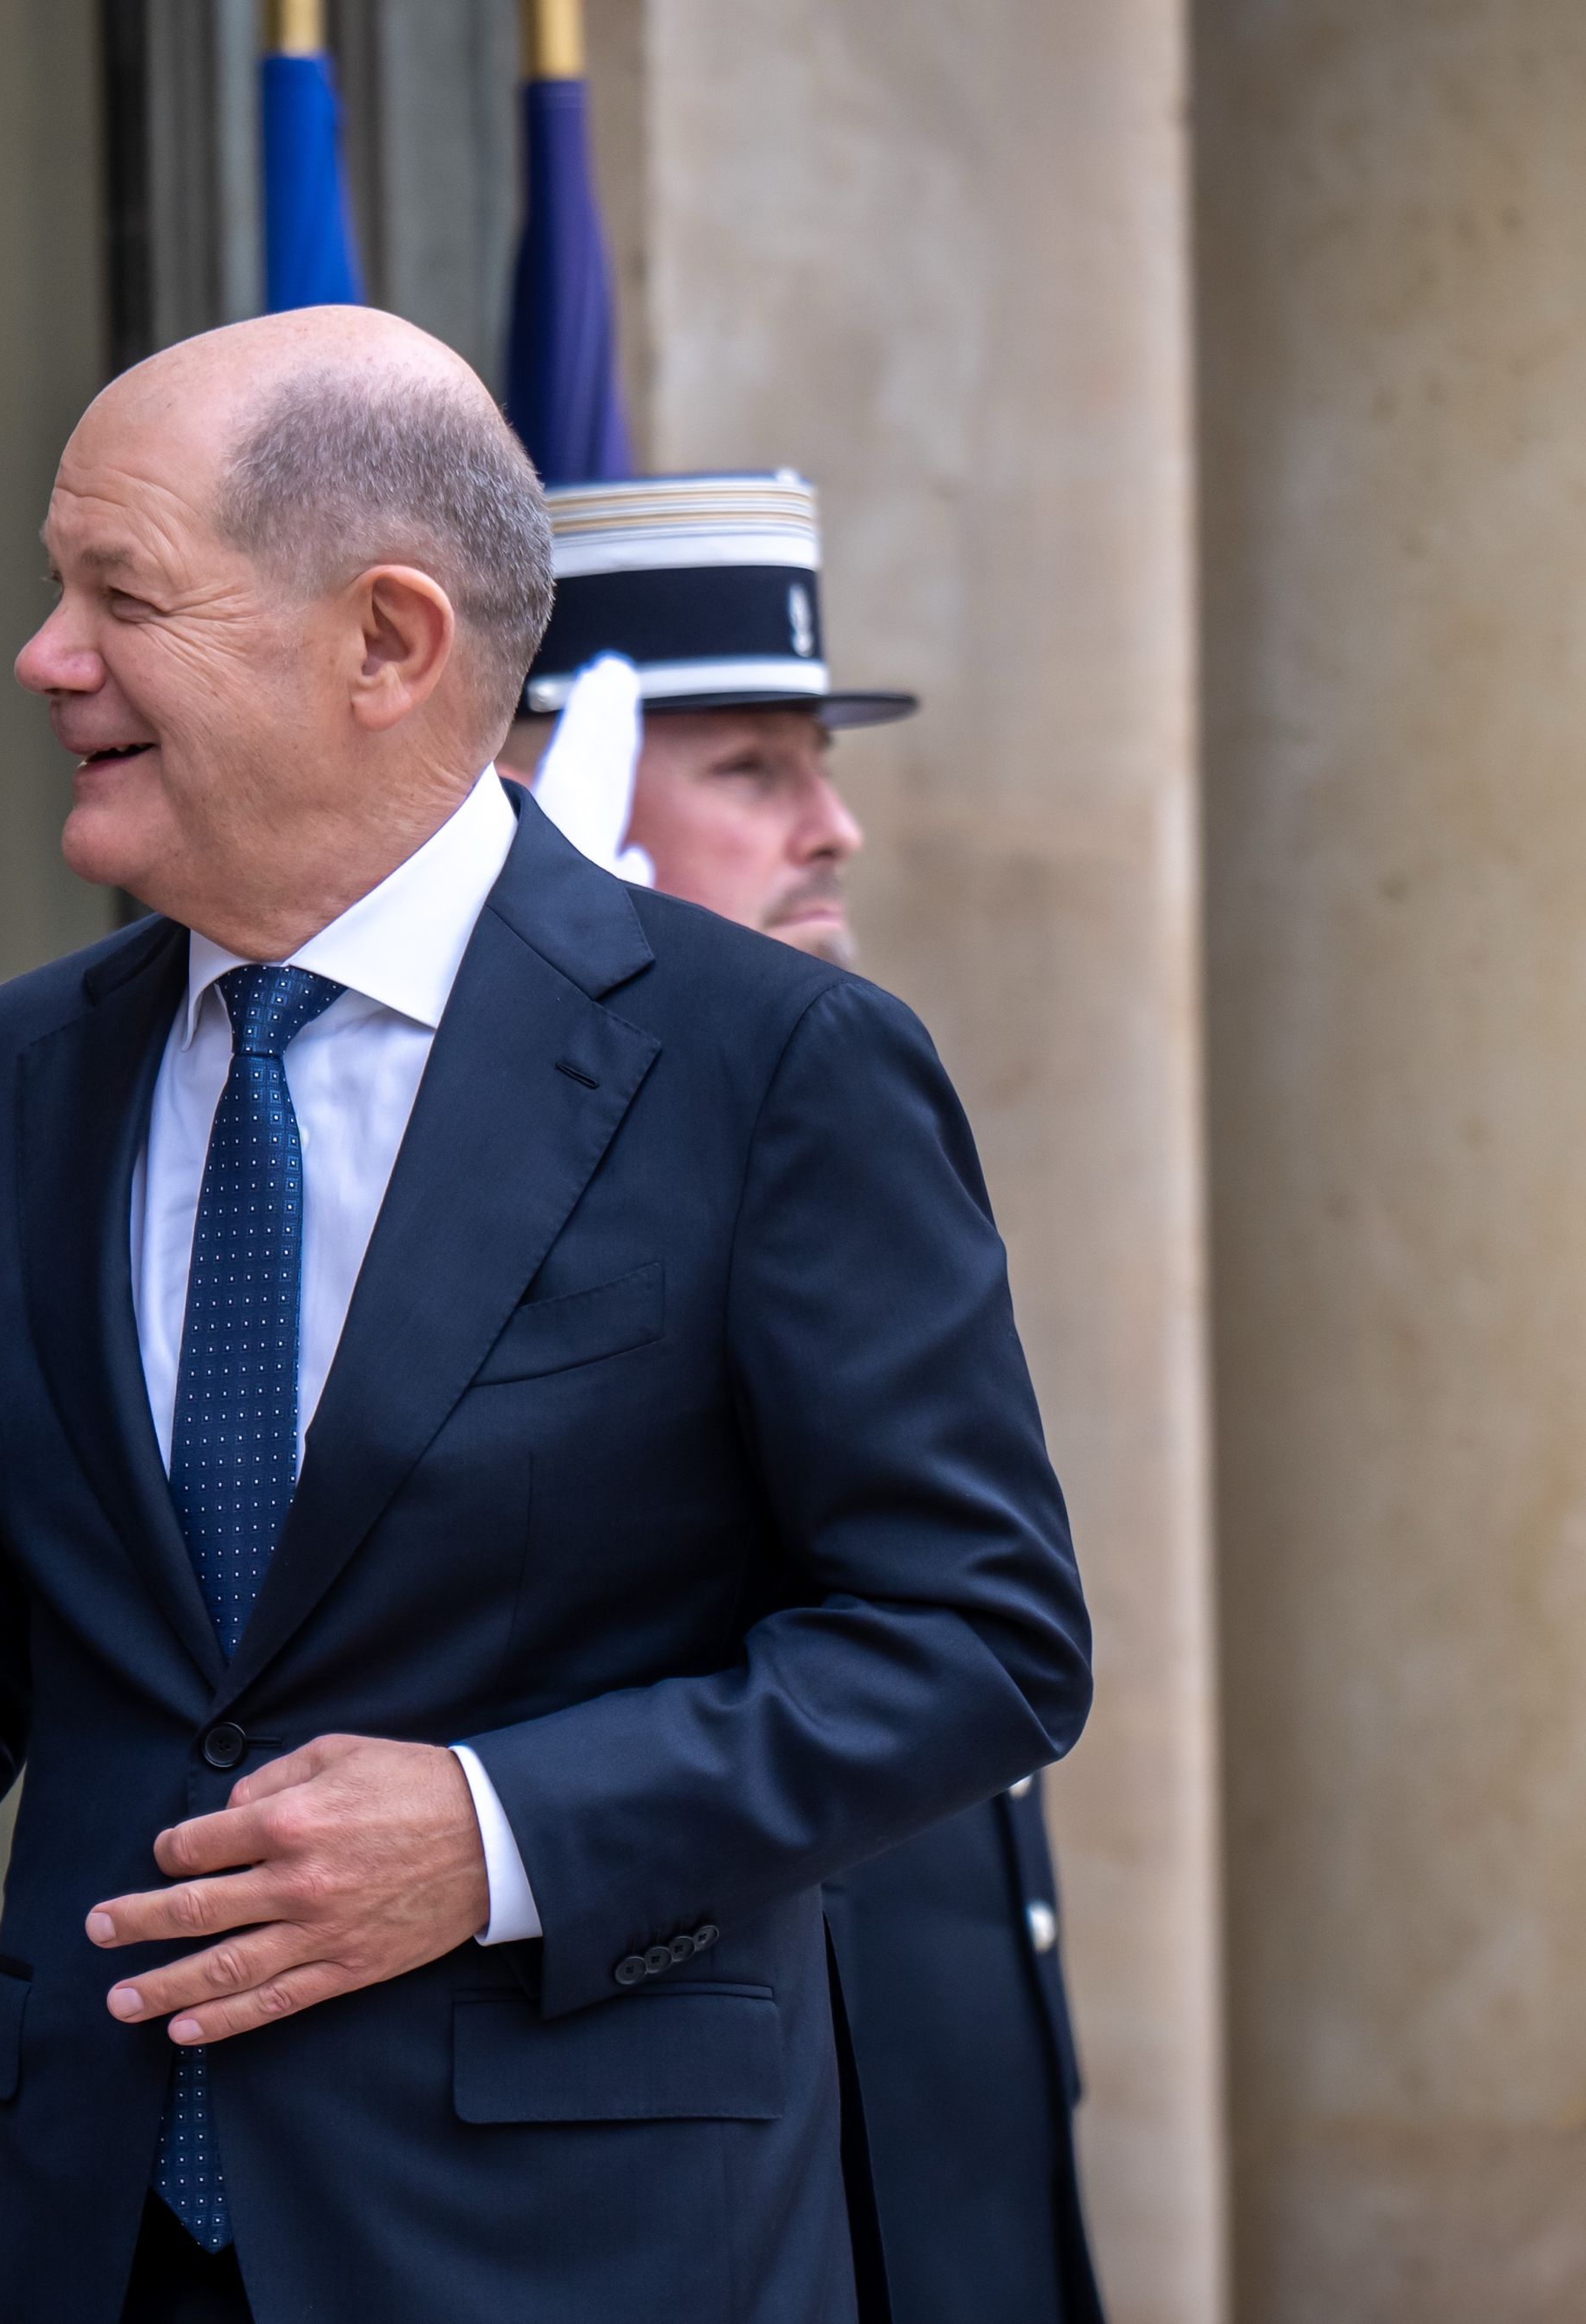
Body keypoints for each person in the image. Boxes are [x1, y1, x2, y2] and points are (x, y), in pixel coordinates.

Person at [0, 308, 1091, 2324]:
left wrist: (491, 1828)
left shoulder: (768, 1066)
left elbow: (974, 1638)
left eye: (116, 594)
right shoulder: (7, 1079)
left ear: (385, 643)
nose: (42, 656)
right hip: (86, 2239)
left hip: (577, 2254)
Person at [495, 471, 1108, 2324]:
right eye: (749, 770)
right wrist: (531, 1017)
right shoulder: (493, 1131)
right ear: (549, 780)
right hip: (699, 2180)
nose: (831, 826)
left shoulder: (811, 1089)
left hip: (929, 2122)